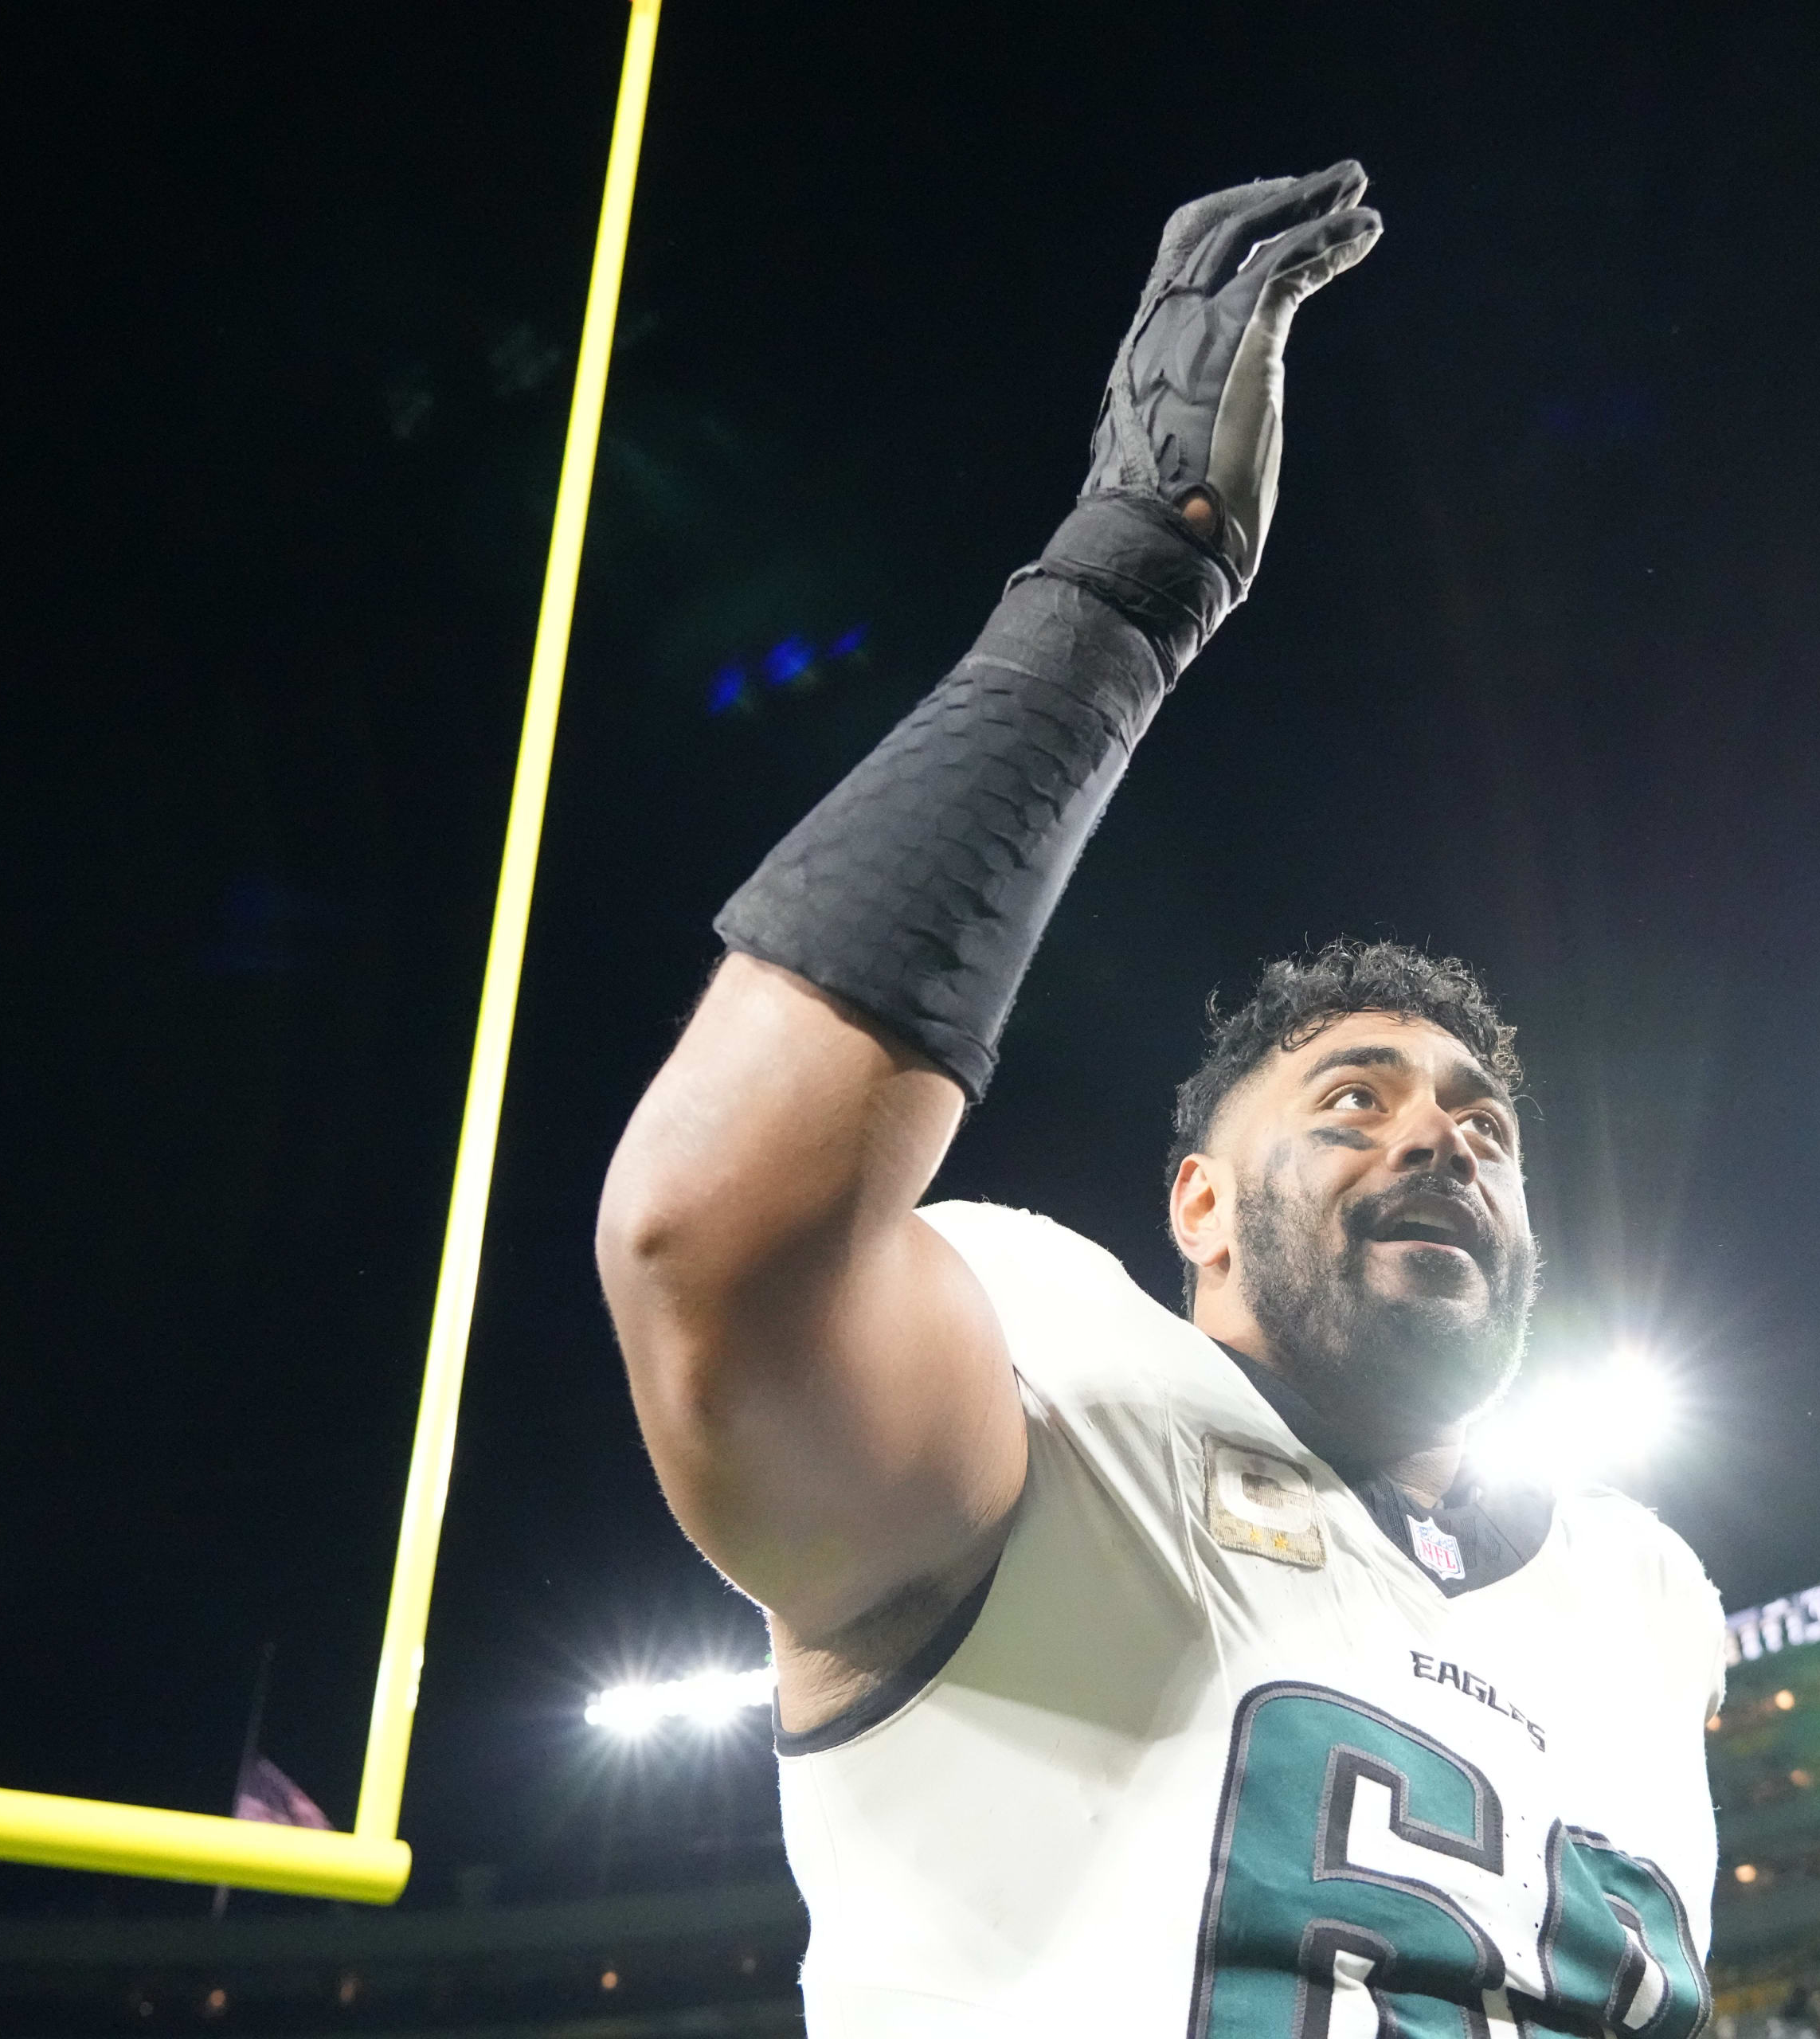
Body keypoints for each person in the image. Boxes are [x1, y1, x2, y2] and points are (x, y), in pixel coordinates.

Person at [594, 165, 1728, 2037]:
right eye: (1353, 1095)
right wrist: (1121, 582)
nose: (1437, 1131)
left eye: (1478, 1118)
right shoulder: (1060, 1394)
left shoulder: (1643, 1599)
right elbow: (709, 1234)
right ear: (1196, 1203)